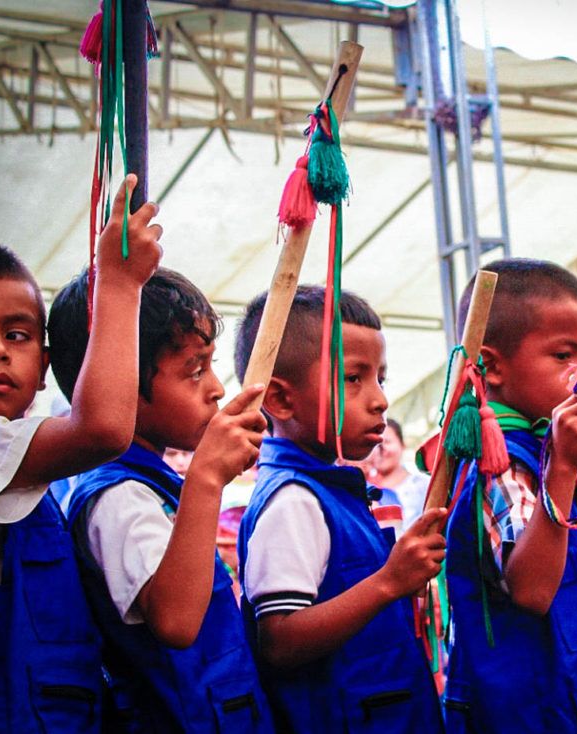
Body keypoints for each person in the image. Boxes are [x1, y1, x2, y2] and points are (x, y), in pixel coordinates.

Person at [0, 176, 161, 731]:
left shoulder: (28, 457)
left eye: (16, 335)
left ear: (43, 367)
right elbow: (104, 429)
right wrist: (118, 285)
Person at [50, 266, 272, 732]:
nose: (215, 388)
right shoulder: (116, 496)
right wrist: (208, 477)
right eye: (195, 371)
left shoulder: (154, 483)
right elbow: (174, 621)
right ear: (120, 386)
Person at [233, 286, 444, 733]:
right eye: (354, 378)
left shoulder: (333, 489)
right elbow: (280, 638)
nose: (380, 399)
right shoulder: (293, 499)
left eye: (380, 379)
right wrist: (389, 583)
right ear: (282, 400)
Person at [443, 259, 577, 733]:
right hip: (536, 712)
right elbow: (531, 589)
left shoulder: (540, 449)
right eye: (563, 356)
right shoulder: (502, 462)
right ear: (490, 367)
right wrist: (565, 467)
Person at [373, 418, 429, 528]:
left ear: (402, 444)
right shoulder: (366, 490)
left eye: (387, 442)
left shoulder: (423, 485)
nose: (382, 449)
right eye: (375, 445)